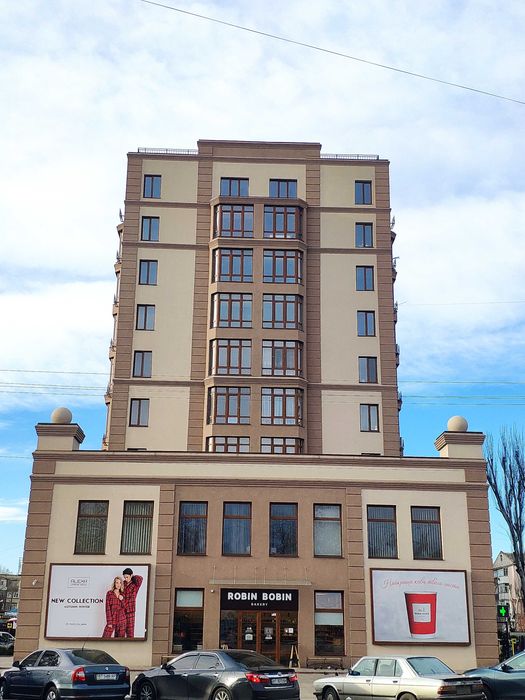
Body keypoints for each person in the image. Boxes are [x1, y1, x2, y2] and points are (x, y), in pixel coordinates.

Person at [122, 567, 143, 638]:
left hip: (130, 609)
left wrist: (133, 576)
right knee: (121, 630)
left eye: (127, 577)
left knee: (130, 631)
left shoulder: (135, 584)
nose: (126, 579)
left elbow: (140, 578)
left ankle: (130, 644)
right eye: (124, 577)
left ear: (131, 575)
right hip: (122, 609)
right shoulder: (123, 583)